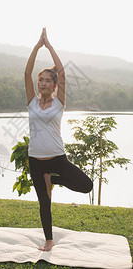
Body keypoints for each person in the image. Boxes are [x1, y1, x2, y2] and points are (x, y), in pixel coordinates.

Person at [25, 28, 93, 252]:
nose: (42, 83)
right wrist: (36, 47)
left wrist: (49, 46)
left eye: (47, 81)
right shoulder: (32, 102)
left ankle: (52, 180)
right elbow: (26, 74)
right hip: (35, 159)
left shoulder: (58, 103)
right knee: (44, 202)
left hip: (57, 159)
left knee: (86, 185)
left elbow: (62, 73)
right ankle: (49, 240)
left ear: (54, 86)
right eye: (40, 80)